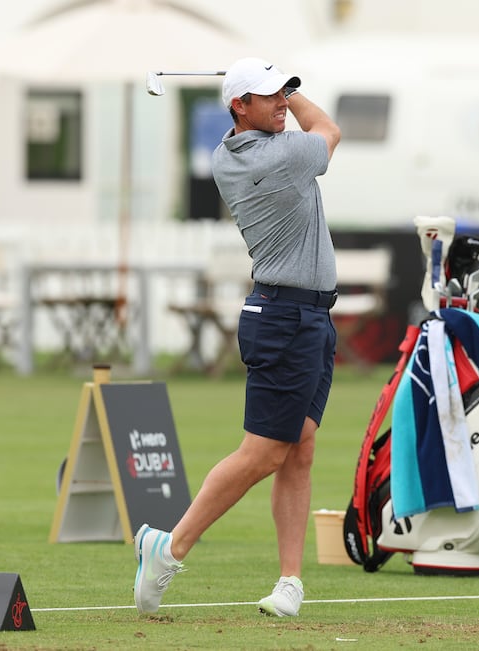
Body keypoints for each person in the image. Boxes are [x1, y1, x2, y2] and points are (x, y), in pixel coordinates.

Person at [133, 56, 341, 618]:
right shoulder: (277, 155)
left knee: (299, 447)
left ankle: (289, 582)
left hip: (306, 316)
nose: (282, 103)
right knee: (264, 453)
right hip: (284, 318)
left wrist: (275, 84)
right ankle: (169, 547)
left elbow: (302, 124)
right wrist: (294, 95)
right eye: (270, 96)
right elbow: (328, 129)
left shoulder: (232, 152)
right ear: (239, 106)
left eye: (284, 94)